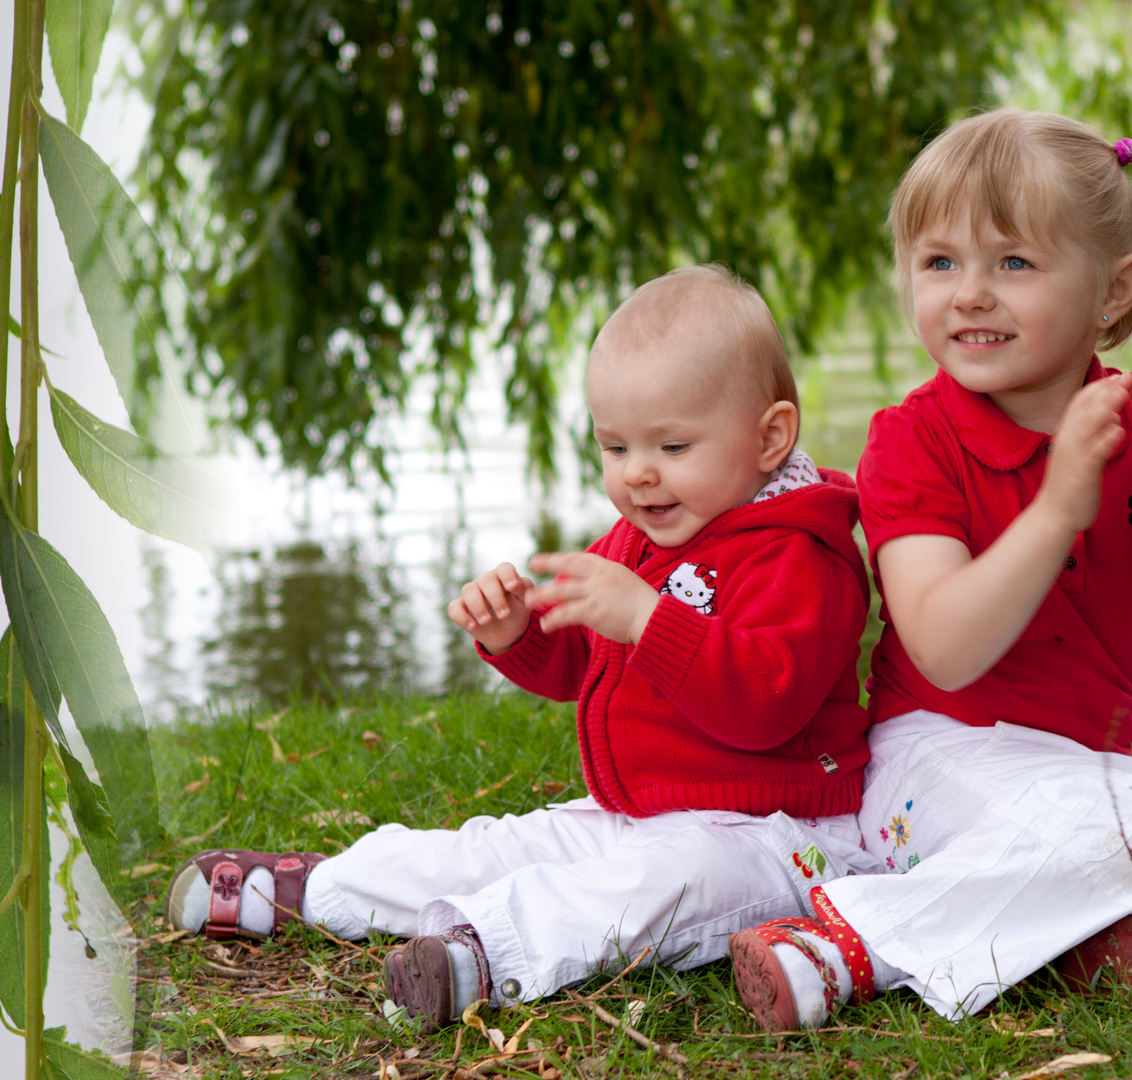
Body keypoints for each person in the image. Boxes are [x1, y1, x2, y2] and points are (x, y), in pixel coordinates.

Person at [726, 109, 1132, 1032]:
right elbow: (946, 650)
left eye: (1015, 264)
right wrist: (1060, 505)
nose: (970, 295)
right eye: (940, 263)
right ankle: (845, 944)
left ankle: (1122, 941)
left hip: (1080, 779)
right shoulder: (912, 442)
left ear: (1113, 294)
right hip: (935, 763)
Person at [163, 265, 878, 1031]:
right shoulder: (645, 538)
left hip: (774, 834)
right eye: (614, 446)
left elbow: (767, 704)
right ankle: (327, 889)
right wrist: (516, 637)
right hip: (642, 811)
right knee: (507, 846)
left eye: (672, 445)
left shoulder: (804, 555)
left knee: (656, 888)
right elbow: (586, 665)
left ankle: (482, 954)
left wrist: (649, 619)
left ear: (770, 436)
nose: (638, 473)